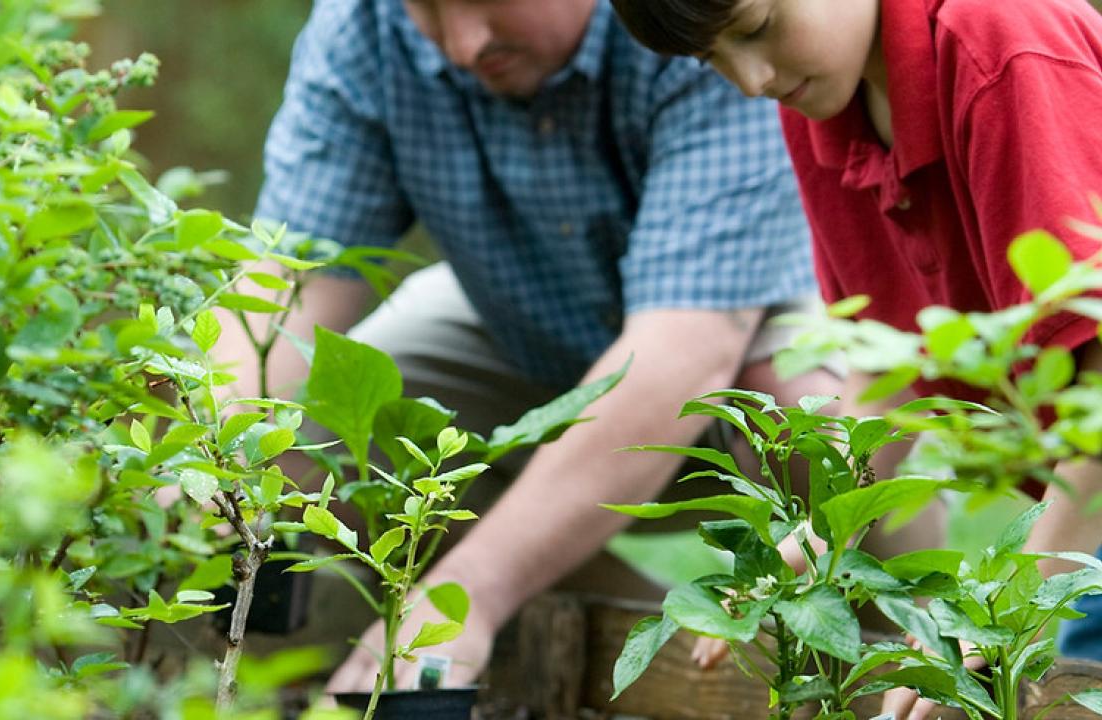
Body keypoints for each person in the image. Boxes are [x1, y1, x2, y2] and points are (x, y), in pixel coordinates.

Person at [221, 0, 854, 693]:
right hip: (516, 320)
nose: (462, 46)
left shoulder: (692, 20)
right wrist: (208, 459)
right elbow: (289, 285)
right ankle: (602, 625)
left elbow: (683, 351)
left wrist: (470, 592)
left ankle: (910, 636)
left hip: (738, 320)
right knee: (318, 431)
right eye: (427, 11)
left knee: (810, 418)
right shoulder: (363, 28)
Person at [607, 0, 1102, 716]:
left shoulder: (998, 42)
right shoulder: (825, 100)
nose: (751, 80)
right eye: (712, 58)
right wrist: (823, 536)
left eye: (754, 29)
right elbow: (888, 362)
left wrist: (1001, 615)